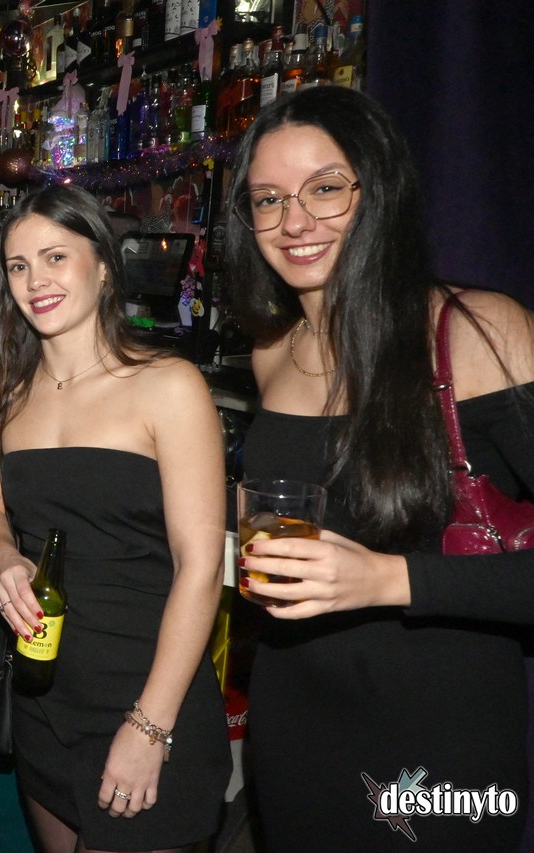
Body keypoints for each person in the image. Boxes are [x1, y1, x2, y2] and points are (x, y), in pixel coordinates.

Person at [226, 86, 534, 850]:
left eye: (325, 188)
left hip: (443, 747)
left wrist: (388, 579)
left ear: (379, 190)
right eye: (268, 199)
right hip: (295, 730)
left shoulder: (478, 333)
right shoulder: (273, 351)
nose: (295, 221)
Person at [0, 184, 231, 852]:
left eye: (56, 257)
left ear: (105, 267)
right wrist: (3, 557)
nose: (36, 280)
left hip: (146, 690)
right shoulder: (11, 391)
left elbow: (201, 567)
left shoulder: (168, 385)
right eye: (19, 265)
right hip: (43, 696)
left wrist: (150, 726)